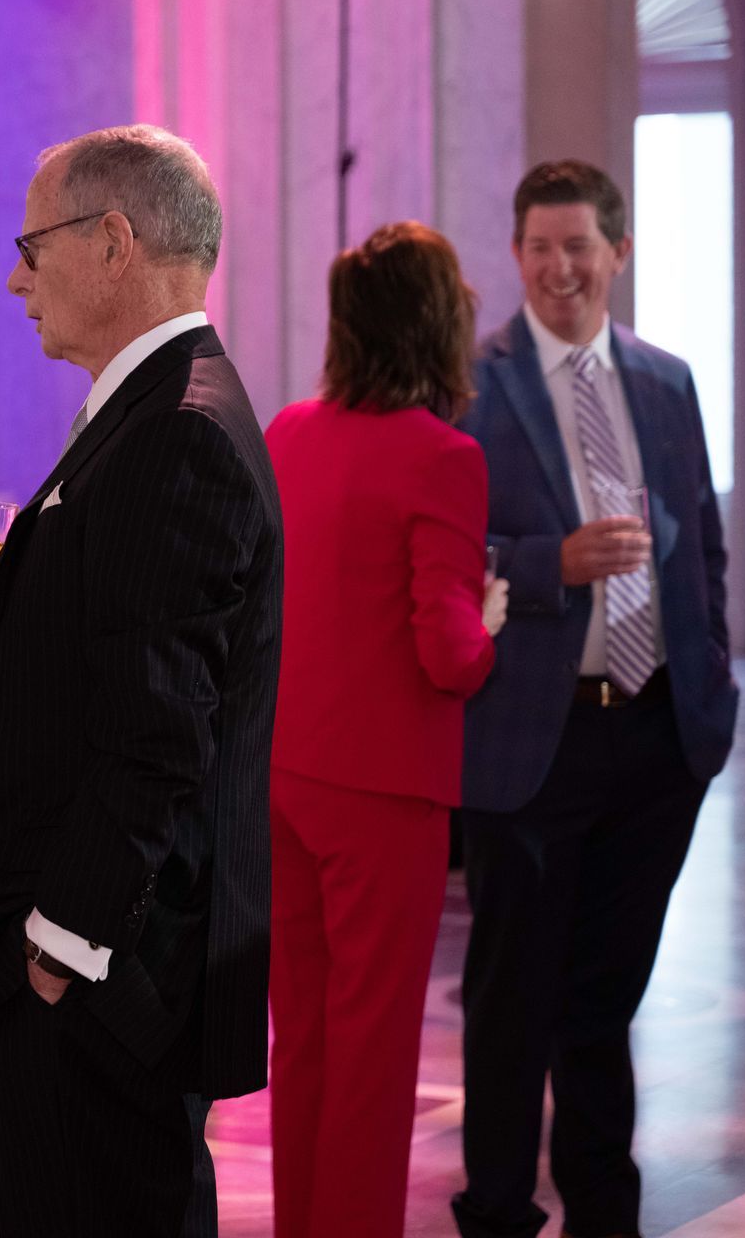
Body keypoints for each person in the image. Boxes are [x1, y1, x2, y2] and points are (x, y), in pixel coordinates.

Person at [0, 124, 282, 1238]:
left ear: (114, 241)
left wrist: (55, 950)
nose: (18, 279)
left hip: (106, 983)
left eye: (34, 246)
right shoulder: (157, 403)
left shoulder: (176, 430)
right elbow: (130, 651)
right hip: (107, 976)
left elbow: (161, 736)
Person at [453, 161, 739, 1238]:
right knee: (510, 999)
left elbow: (701, 545)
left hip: (657, 738)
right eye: (538, 246)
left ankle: (604, 1211)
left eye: (578, 245)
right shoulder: (472, 384)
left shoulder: (665, 381)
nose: (558, 266)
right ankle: (494, 1207)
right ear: (516, 253)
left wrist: (708, 684)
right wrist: (546, 564)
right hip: (534, 739)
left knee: (604, 997)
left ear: (617, 251)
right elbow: (446, 556)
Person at [264, 221, 507, 1238]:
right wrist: (490, 620)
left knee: (305, 1042)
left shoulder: (287, 430)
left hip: (284, 772)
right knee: (373, 1051)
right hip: (385, 794)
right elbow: (448, 652)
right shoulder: (444, 458)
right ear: (440, 323)